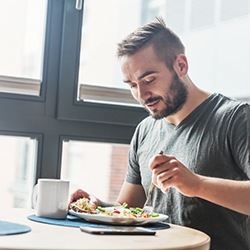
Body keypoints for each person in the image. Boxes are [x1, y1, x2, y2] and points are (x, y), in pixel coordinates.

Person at [69, 17, 250, 249]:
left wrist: (197, 184)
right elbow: (128, 209)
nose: (142, 95)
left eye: (149, 79)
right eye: (132, 85)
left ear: (181, 66)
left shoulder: (236, 118)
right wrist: (98, 207)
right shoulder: (145, 130)